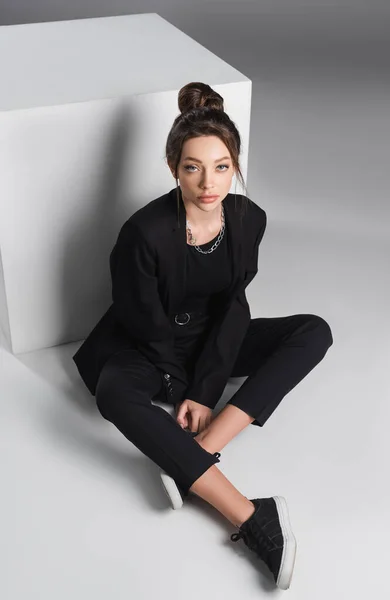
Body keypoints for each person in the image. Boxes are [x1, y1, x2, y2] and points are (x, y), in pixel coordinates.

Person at [72, 82, 333, 590]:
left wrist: (205, 391)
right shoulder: (143, 232)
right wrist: (180, 388)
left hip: (210, 341)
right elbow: (140, 319)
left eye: (221, 166)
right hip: (146, 345)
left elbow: (235, 307)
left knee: (313, 332)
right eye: (193, 167)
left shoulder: (248, 219)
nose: (208, 182)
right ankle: (250, 516)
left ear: (235, 165)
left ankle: (199, 453)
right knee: (113, 393)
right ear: (174, 169)